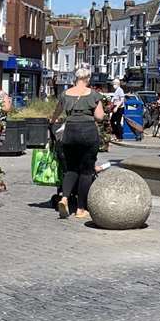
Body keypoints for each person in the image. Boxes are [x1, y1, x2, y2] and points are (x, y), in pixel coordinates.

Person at [49, 65, 105, 219]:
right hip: (88, 133)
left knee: (71, 168)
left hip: (70, 132)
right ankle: (81, 208)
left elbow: (56, 113)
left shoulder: (65, 94)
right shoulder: (94, 95)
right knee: (86, 171)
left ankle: (65, 198)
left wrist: (52, 121)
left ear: (76, 78)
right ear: (87, 79)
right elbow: (100, 117)